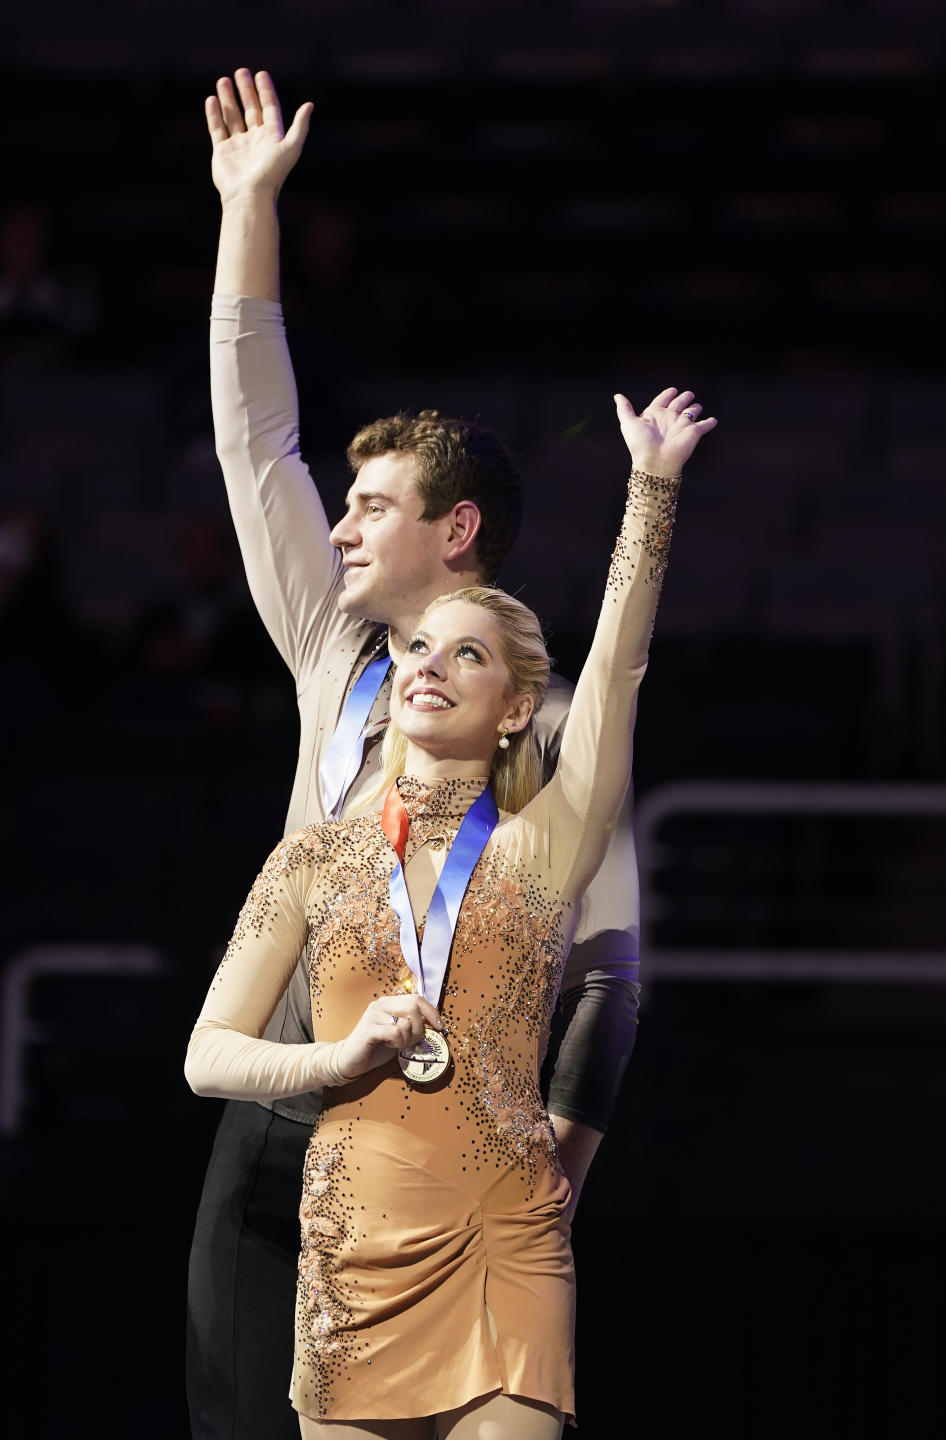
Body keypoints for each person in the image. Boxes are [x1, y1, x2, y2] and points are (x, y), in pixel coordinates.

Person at [186, 67, 683, 1440]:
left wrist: (551, 1183)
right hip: (281, 1130)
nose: (337, 528)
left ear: (455, 532)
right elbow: (254, 443)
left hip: (459, 1147)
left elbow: (610, 977)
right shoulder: (330, 657)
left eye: (372, 505)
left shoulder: (554, 722)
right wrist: (249, 210)